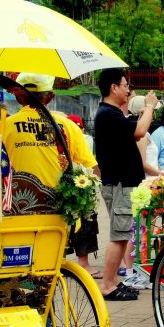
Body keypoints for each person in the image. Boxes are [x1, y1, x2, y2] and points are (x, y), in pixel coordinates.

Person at [94, 68, 158, 301]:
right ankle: (108, 285)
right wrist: (150, 106)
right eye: (125, 85)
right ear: (113, 87)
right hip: (119, 184)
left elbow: (134, 130)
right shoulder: (108, 114)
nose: (128, 90)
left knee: (122, 235)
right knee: (119, 235)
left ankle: (113, 282)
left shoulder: (112, 115)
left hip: (123, 183)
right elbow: (140, 131)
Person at [0, 73, 96, 190]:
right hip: (57, 203)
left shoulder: (2, 127)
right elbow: (91, 169)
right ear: (50, 96)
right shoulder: (69, 126)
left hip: (16, 204)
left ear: (18, 97)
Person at [64, 113, 101, 277]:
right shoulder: (77, 138)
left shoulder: (83, 139)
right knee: (77, 224)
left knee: (84, 224)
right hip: (73, 184)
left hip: (79, 183)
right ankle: (77, 262)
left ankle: (80, 262)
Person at [128, 95, 160, 176]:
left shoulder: (143, 133)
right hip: (146, 181)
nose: (153, 115)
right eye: (152, 111)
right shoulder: (141, 135)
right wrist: (163, 175)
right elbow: (143, 163)